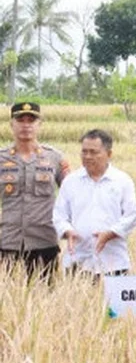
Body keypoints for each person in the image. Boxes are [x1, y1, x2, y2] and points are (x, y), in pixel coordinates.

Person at [52, 129, 136, 279]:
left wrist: (111, 233)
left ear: (109, 154)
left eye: (93, 152)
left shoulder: (122, 181)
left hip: (113, 262)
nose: (88, 157)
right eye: (84, 152)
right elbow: (59, 215)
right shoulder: (71, 181)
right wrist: (67, 231)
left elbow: (132, 216)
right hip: (77, 262)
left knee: (111, 303)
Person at [0, 102, 70, 281]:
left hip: (44, 240)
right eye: (20, 120)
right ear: (11, 124)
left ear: (40, 124)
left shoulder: (55, 158)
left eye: (31, 120)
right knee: (6, 300)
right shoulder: (1, 159)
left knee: (45, 298)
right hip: (8, 241)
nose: (26, 125)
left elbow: (72, 195)